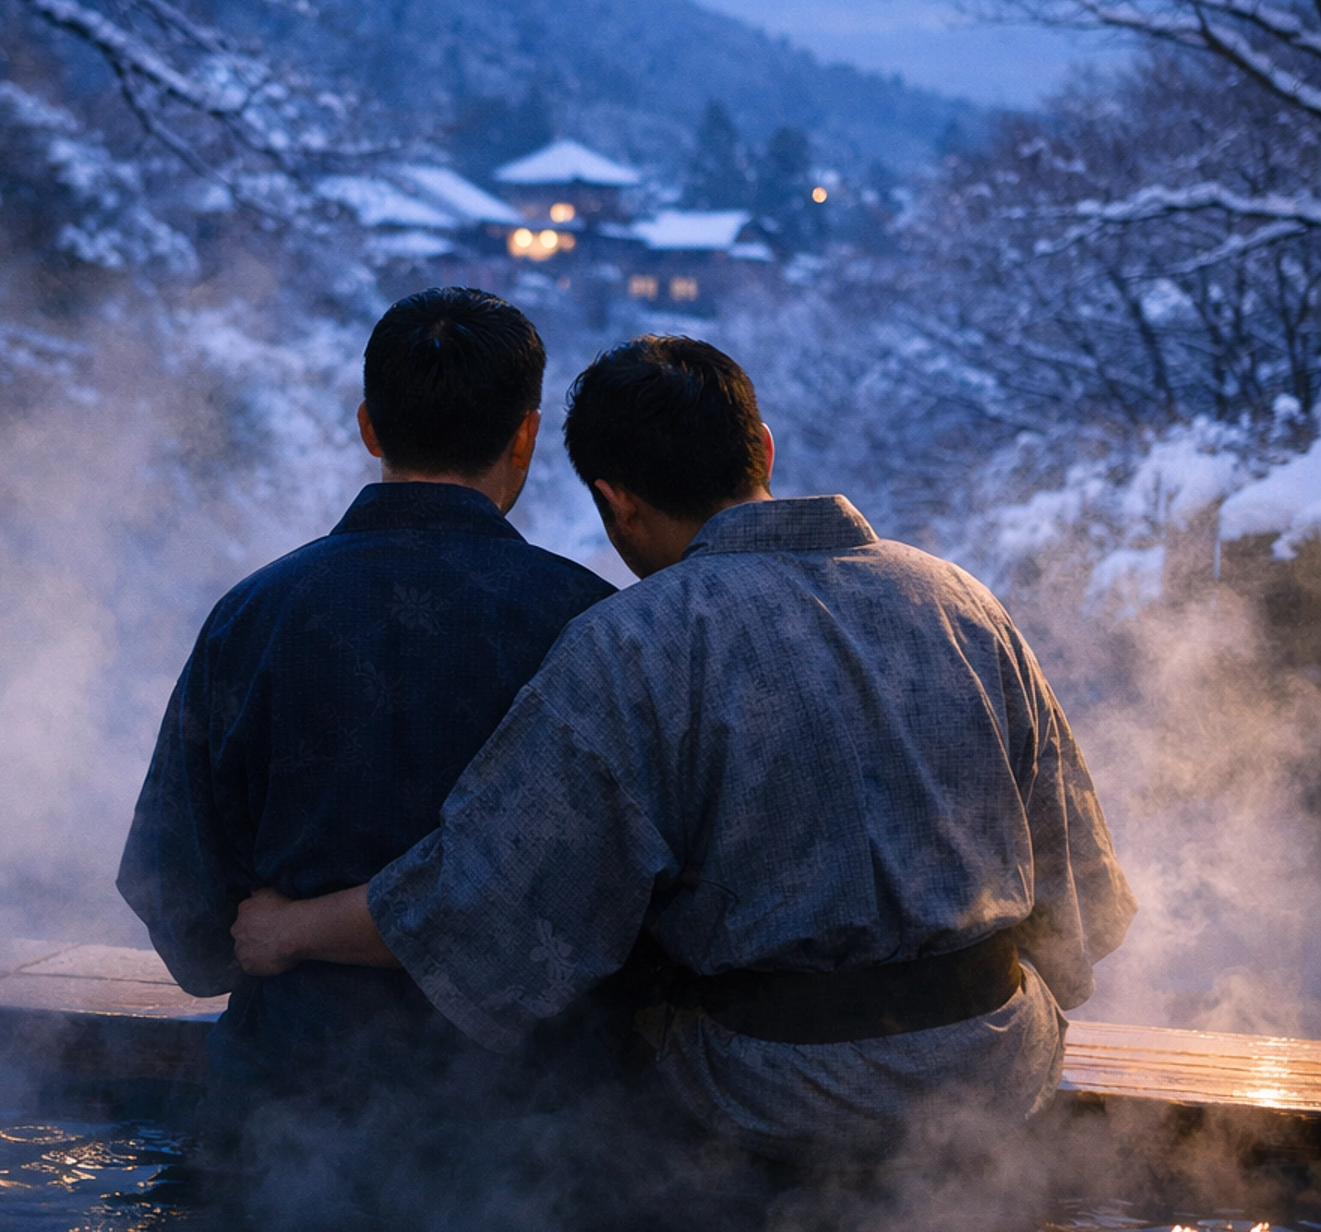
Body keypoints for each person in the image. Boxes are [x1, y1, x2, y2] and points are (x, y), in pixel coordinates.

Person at [231, 335, 1136, 1159]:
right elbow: (1075, 892)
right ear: (765, 450)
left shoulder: (634, 642)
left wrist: (285, 931)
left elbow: (489, 902)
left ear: (615, 504)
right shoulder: (960, 602)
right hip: (998, 1073)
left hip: (773, 1089)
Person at [117, 287, 614, 1096]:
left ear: (368, 427)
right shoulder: (587, 624)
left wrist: (265, 938)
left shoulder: (254, 615)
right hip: (521, 1123)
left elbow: (173, 888)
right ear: (526, 436)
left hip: (291, 1100)